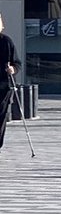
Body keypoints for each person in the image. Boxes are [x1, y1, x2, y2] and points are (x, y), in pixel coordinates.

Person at [0, 14, 21, 150]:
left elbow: (17, 63)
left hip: (2, 87)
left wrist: (12, 69)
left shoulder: (6, 42)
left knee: (0, 118)